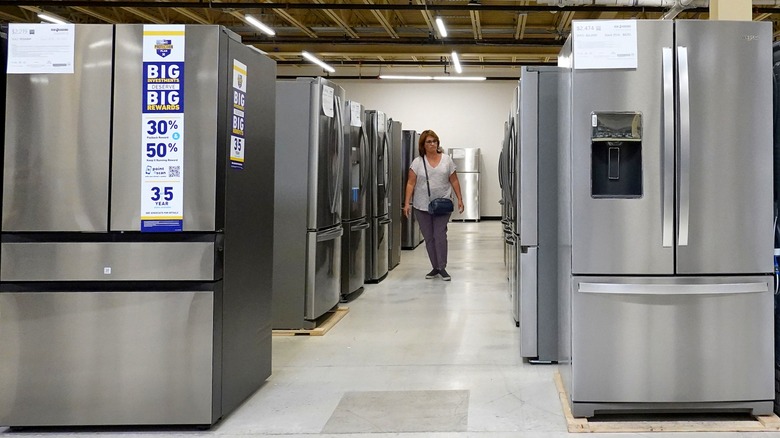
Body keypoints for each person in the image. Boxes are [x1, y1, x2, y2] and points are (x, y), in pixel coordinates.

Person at [403, 130, 464, 281]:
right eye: (429, 142)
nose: (432, 144)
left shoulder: (446, 160)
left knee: (440, 235)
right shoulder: (417, 162)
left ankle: (442, 267)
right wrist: (406, 203)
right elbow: (411, 183)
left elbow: (454, 180)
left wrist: (460, 199)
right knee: (429, 237)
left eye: (435, 141)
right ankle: (435, 267)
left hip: (442, 203)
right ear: (423, 145)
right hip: (421, 205)